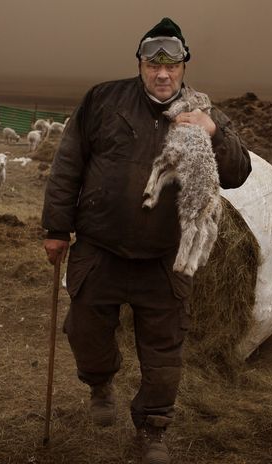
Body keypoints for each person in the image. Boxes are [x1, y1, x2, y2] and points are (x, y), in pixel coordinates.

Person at [41, 17, 251, 464]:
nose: (162, 75)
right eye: (153, 65)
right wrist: (56, 229)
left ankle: (153, 429)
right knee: (85, 332)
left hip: (164, 258)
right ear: (139, 65)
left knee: (164, 352)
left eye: (171, 67)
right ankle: (100, 384)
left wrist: (214, 133)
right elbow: (67, 165)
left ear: (183, 68)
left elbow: (238, 173)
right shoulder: (102, 100)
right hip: (100, 249)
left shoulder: (204, 113)